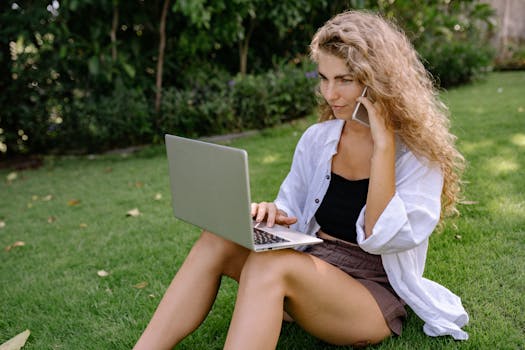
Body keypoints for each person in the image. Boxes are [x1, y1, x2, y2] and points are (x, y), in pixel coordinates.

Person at [134, 10, 469, 349]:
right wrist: (270, 212)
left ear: (378, 82)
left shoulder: (416, 156)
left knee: (273, 267)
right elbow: (291, 207)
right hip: (314, 269)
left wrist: (383, 145)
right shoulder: (318, 138)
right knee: (216, 238)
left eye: (345, 80)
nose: (330, 94)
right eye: (324, 78)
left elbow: (379, 236)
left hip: (370, 295)